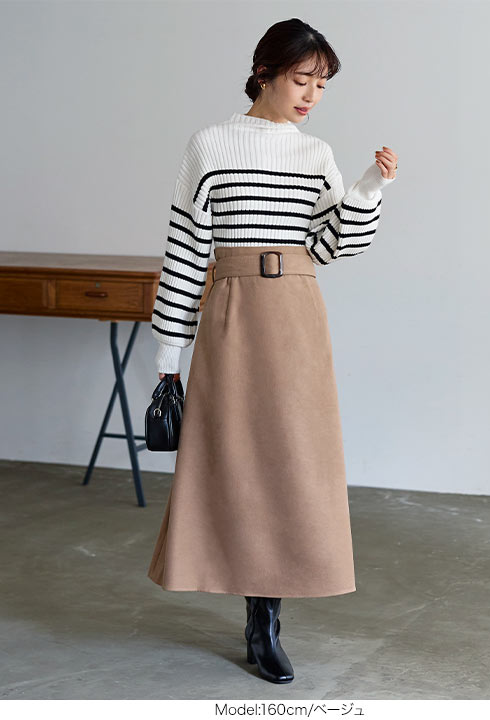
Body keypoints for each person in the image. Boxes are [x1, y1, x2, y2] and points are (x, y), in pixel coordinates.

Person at [148, 17, 398, 684]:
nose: (312, 95)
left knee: (292, 462)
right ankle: (250, 603)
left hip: (296, 313)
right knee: (235, 461)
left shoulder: (314, 153)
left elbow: (332, 245)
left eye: (322, 84)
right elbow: (184, 253)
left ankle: (266, 620)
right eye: (301, 79)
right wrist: (168, 363)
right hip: (231, 312)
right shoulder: (210, 145)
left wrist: (368, 188)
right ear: (263, 73)